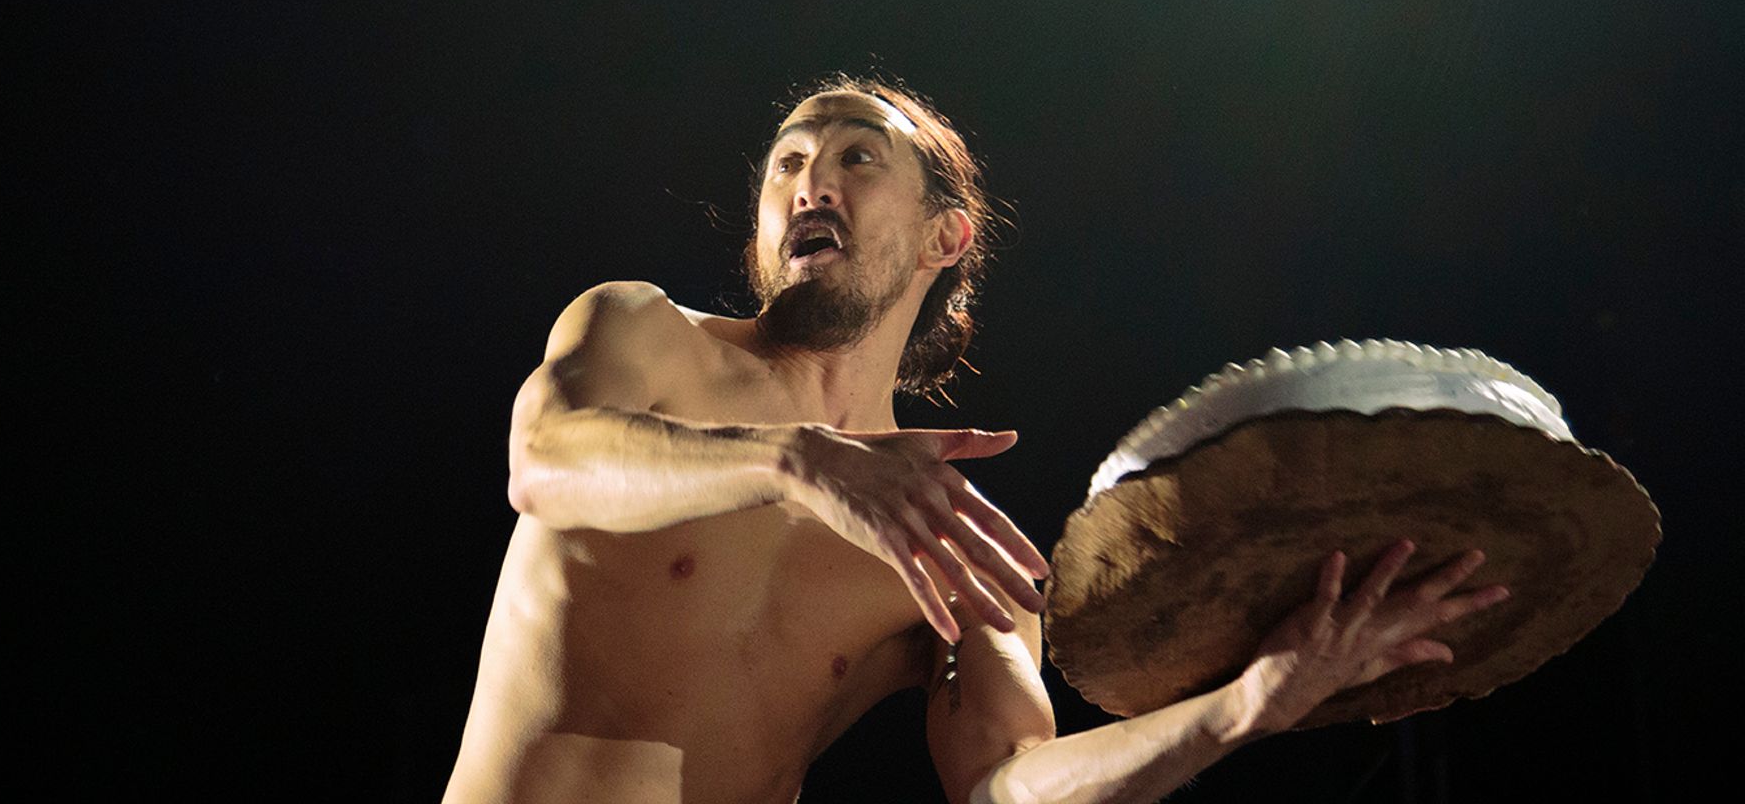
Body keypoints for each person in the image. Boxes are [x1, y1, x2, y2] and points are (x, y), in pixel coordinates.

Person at [441, 77, 1509, 804]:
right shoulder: (642, 331)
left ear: (944, 237)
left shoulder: (942, 537)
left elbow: (1014, 785)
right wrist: (793, 459)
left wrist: (1240, 708)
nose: (811, 179)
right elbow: (541, 461)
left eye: (858, 156)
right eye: (787, 161)